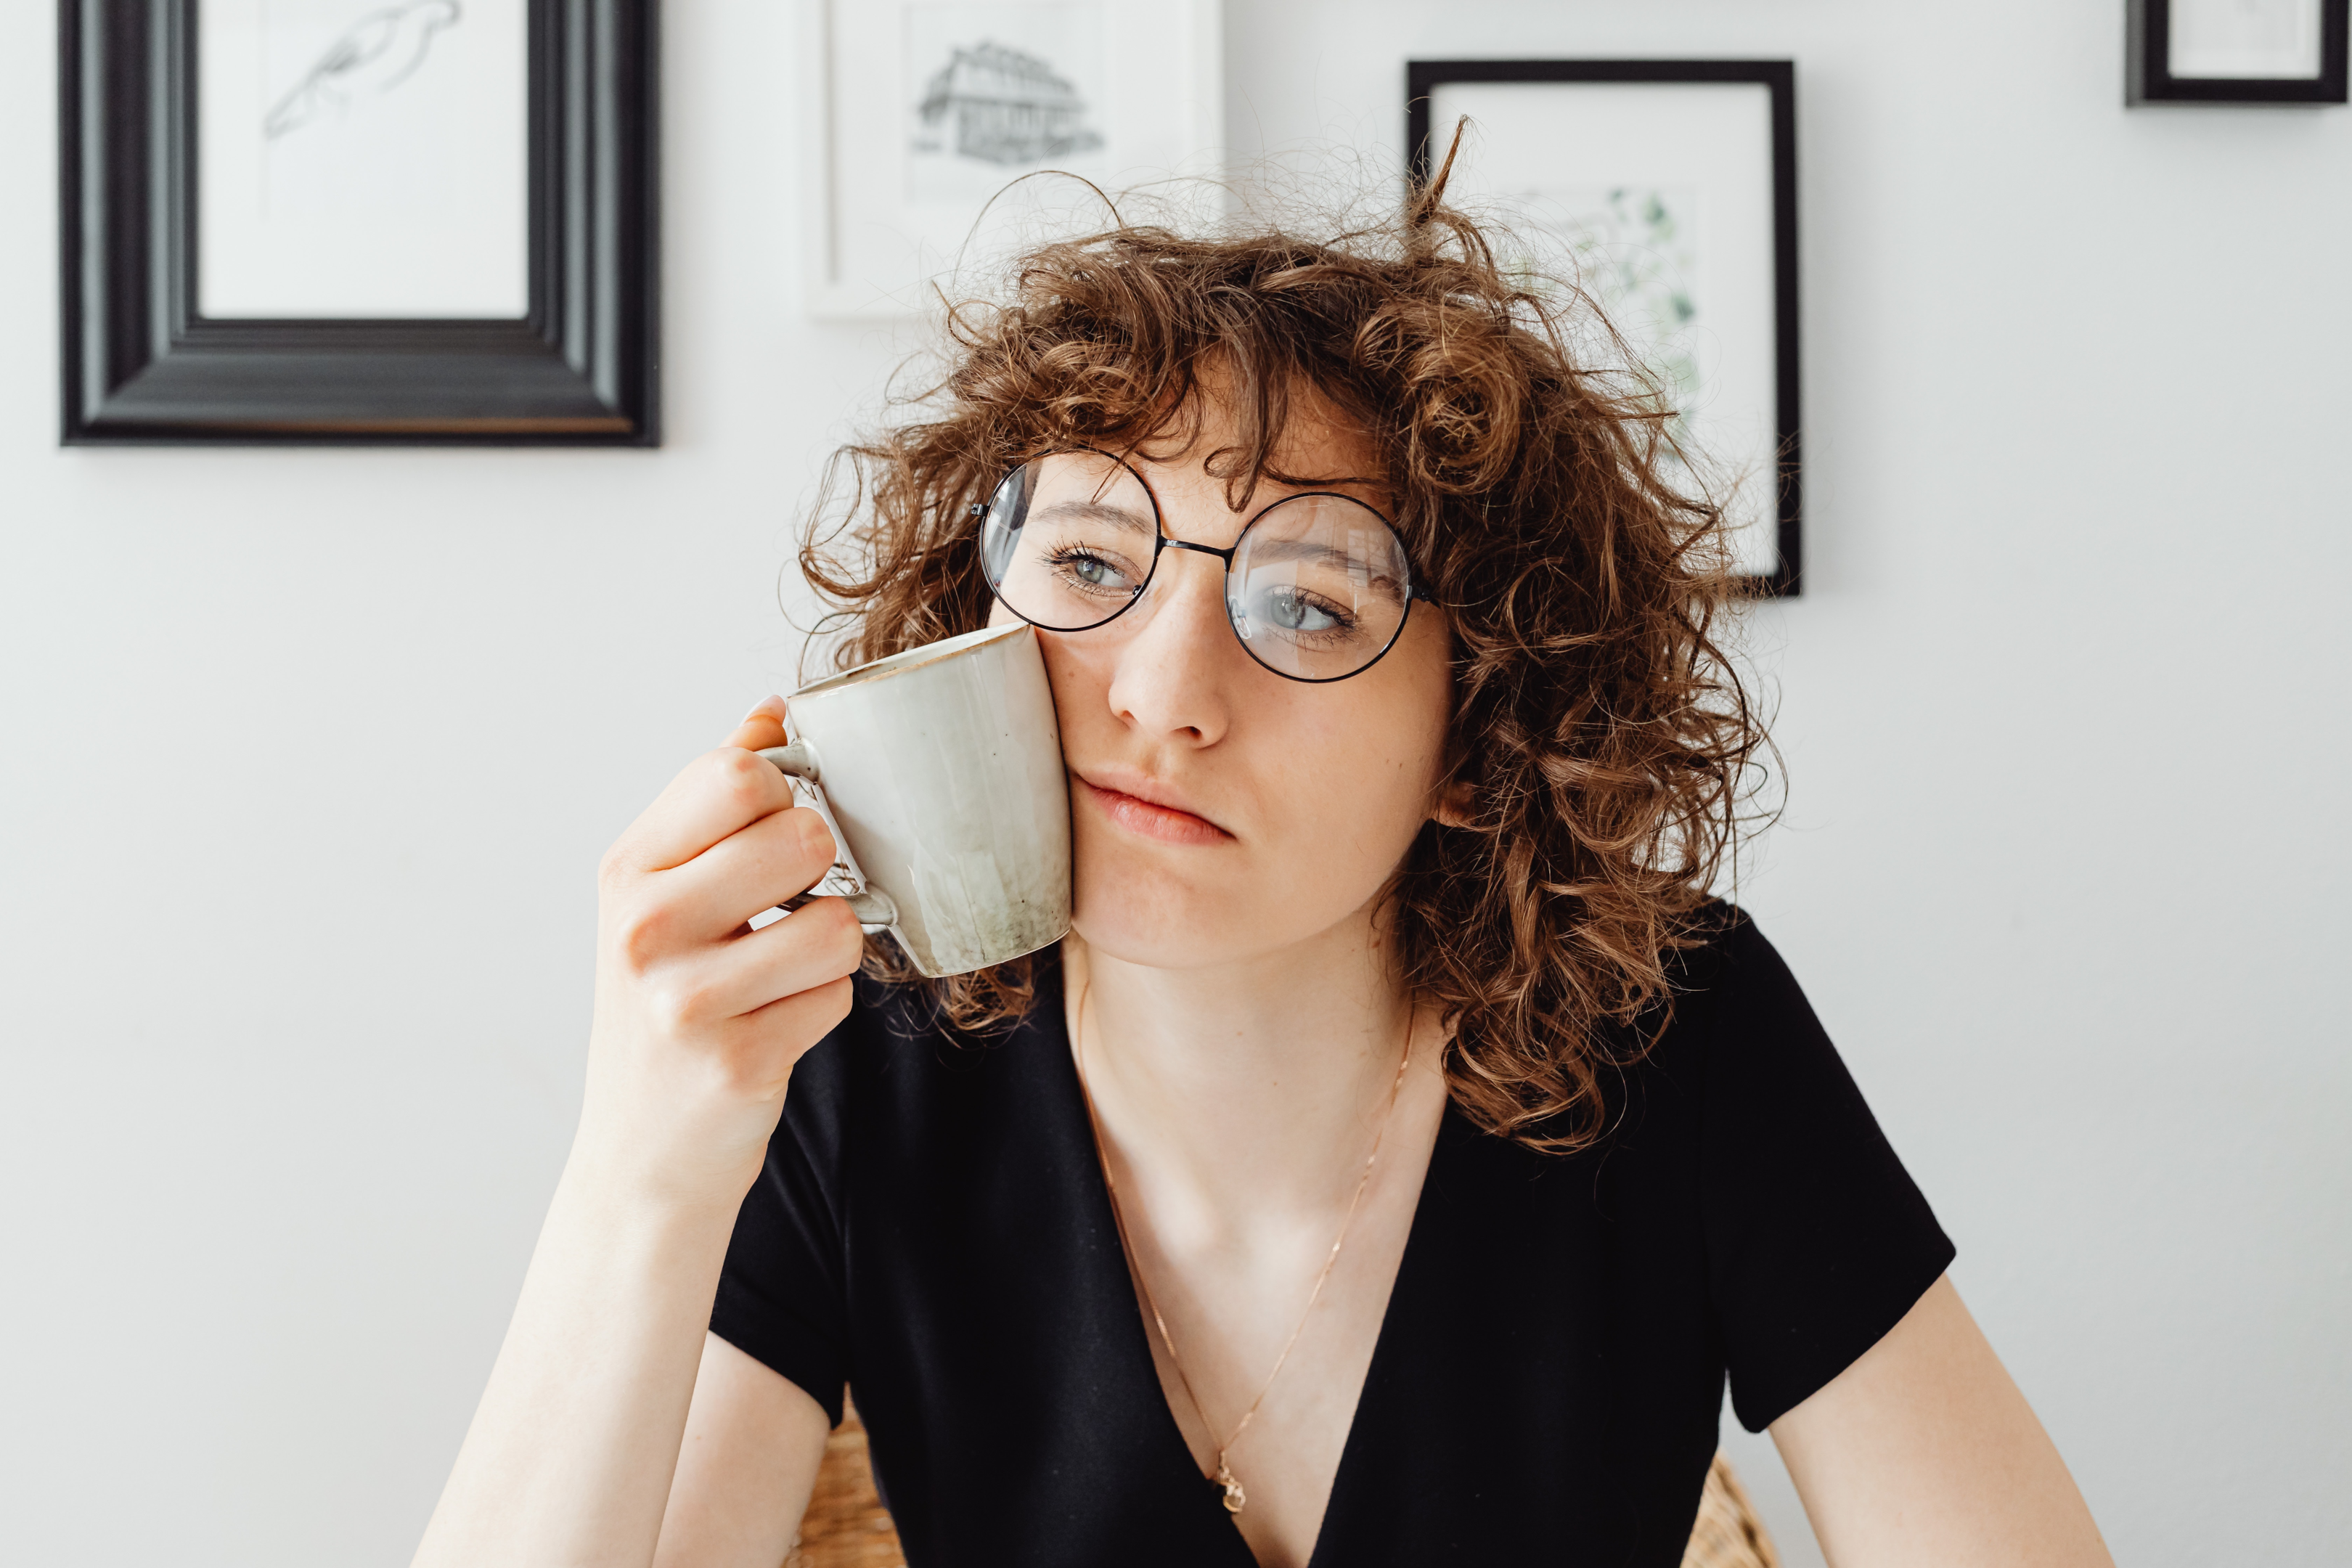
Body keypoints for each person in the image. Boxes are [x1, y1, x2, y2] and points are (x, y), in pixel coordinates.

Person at [412, 158, 2115, 1568]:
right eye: (1089, 559)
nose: (1159, 695)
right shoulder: (860, 1054)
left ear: (1481, 739)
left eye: (1309, 600)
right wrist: (642, 1171)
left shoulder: (1672, 1027)